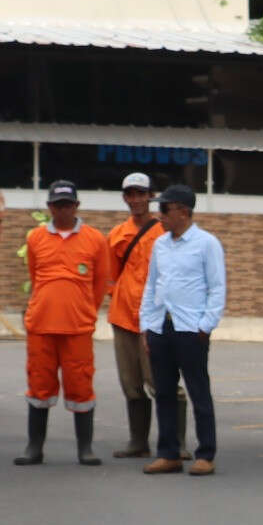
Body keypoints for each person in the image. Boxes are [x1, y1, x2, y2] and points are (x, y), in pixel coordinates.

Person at [19, 179, 113, 467]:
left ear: (77, 206)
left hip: (77, 329)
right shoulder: (35, 238)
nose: (63, 210)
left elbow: (101, 283)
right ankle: (35, 447)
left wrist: (82, 309)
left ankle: (85, 448)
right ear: (49, 207)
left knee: (81, 386)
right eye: (57, 205)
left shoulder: (95, 239)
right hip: (42, 327)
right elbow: (36, 277)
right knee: (39, 385)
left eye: (67, 204)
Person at [138, 184, 223, 477]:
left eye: (164, 209)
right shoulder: (160, 244)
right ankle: (168, 453)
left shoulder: (206, 243)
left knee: (198, 391)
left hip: (191, 329)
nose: (159, 215)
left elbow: (217, 288)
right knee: (163, 392)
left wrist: (205, 326)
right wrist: (147, 325)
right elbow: (152, 286)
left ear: (183, 212)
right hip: (162, 326)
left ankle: (205, 454)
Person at [103, 171, 162, 458]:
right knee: (131, 384)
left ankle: (174, 443)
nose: (136, 199)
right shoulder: (116, 235)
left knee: (161, 382)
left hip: (156, 322)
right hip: (124, 320)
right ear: (125, 198)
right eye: (131, 194)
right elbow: (109, 279)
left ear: (151, 195)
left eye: (142, 193)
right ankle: (138, 442)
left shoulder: (164, 233)